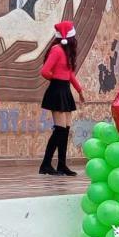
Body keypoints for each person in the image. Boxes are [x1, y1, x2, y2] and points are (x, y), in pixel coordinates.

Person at [39, 20, 84, 176]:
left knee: (65, 130)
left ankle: (62, 165)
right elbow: (44, 71)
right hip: (57, 90)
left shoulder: (65, 51)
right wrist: (56, 78)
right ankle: (45, 164)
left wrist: (79, 90)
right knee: (59, 130)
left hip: (65, 90)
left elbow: (70, 73)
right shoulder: (57, 50)